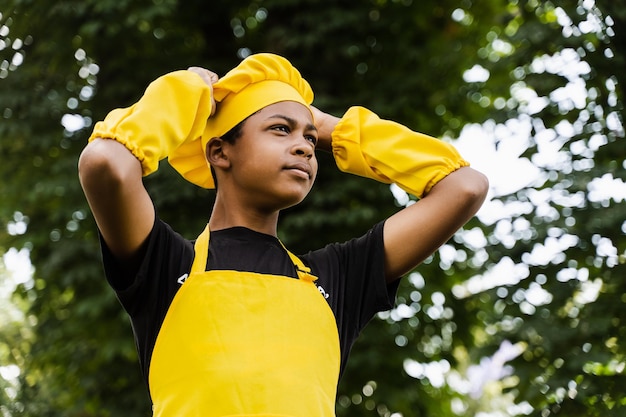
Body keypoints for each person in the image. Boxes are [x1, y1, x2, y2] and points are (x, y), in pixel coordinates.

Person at [78, 53, 488, 416]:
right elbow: (105, 163)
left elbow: (464, 186)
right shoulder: (166, 266)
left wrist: (333, 129)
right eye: (280, 129)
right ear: (219, 152)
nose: (306, 147)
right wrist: (188, 93)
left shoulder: (337, 278)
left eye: (309, 138)